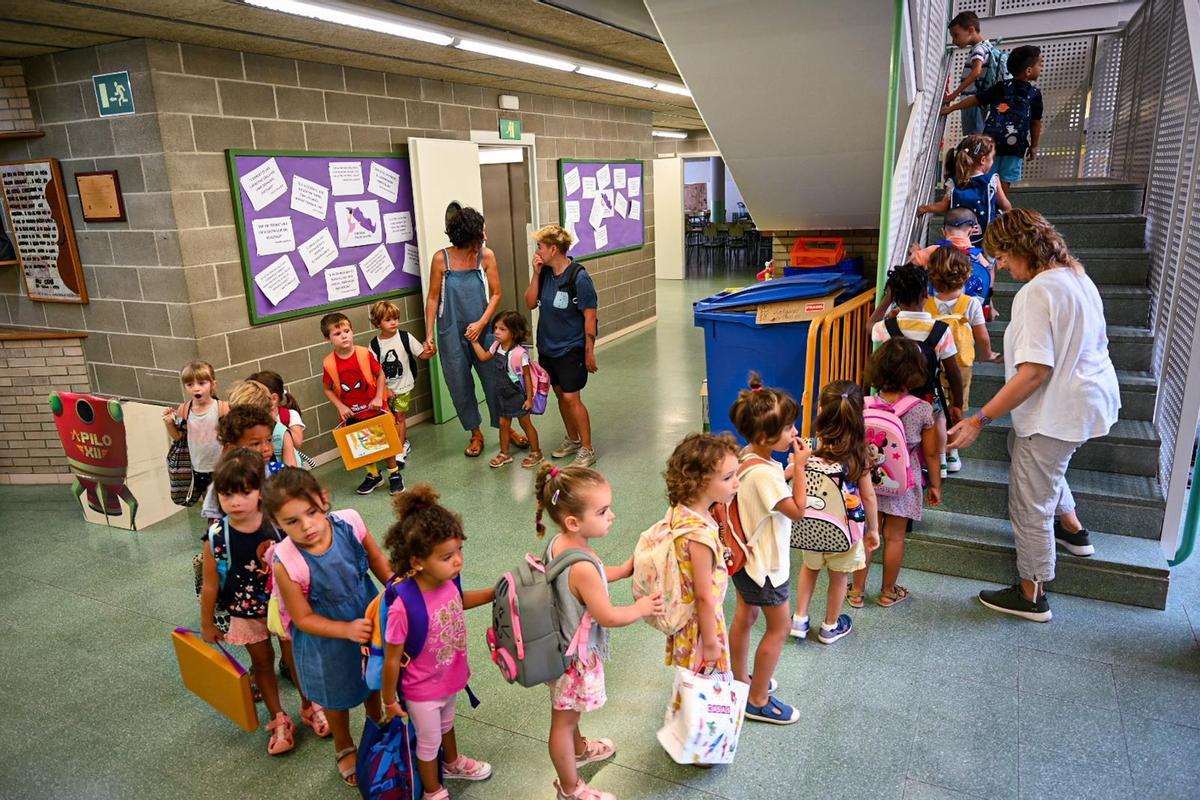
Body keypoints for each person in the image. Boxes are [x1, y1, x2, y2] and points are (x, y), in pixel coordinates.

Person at [948, 209, 1120, 623]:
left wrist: (978, 420)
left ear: (1020, 248)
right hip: (1089, 399)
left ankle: (1032, 592)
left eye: (1003, 257)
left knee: (1029, 501)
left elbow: (1036, 372)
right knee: (1025, 455)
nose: (1001, 266)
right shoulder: (1077, 276)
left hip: (1056, 412)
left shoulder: (1036, 292)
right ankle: (1073, 529)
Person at [534, 464, 663, 800]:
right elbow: (607, 616)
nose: (612, 516)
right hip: (573, 657)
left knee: (569, 710)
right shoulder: (583, 565)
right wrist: (641, 607)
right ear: (573, 521)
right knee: (562, 720)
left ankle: (578, 749)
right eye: (603, 511)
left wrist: (626, 568)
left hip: (557, 643)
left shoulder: (562, 543)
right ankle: (570, 788)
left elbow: (596, 576)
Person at [265, 468, 394, 785]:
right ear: (276, 523)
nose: (306, 526)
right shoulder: (286, 561)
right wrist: (345, 630)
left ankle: (375, 719)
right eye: (291, 522)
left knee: (372, 675)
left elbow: (376, 558)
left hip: (366, 613)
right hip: (326, 639)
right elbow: (303, 618)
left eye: (310, 513)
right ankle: (343, 744)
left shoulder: (350, 521)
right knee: (336, 694)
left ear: (323, 499)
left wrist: (397, 588)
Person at [198, 449, 328, 755]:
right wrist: (206, 622)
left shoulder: (279, 525)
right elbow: (210, 584)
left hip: (285, 605)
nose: (235, 501)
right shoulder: (216, 535)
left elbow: (305, 558)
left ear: (261, 492)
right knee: (261, 664)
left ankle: (310, 706)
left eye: (246, 492)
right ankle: (278, 717)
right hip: (245, 611)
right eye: (227, 494)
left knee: (295, 657)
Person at [380, 484, 496, 799]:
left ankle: (453, 762)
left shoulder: (446, 580)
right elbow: (392, 658)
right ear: (417, 561)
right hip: (421, 690)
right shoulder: (404, 604)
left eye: (459, 550)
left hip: (448, 677)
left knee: (447, 724)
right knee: (429, 742)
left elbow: (459, 601)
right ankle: (433, 790)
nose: (457, 561)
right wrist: (389, 701)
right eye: (447, 556)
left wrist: (494, 592)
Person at [726, 375, 809, 725]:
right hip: (766, 566)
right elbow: (797, 509)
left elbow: (771, 483)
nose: (794, 433)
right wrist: (801, 468)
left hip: (745, 560)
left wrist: (788, 469)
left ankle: (740, 679)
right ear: (764, 437)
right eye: (788, 428)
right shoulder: (766, 475)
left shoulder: (748, 458)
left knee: (746, 617)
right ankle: (758, 699)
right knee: (778, 627)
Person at [424, 207, 522, 458]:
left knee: (495, 381)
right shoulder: (441, 259)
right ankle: (475, 432)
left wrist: (482, 323)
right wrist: (429, 334)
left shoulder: (486, 256)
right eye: (480, 235)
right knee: (459, 384)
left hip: (484, 330)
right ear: (466, 237)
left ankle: (505, 427)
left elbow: (497, 293)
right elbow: (433, 298)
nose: (484, 238)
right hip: (451, 332)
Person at [851, 340, 942, 609]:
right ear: (915, 373)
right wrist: (935, 485)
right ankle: (888, 592)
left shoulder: (863, 404)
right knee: (894, 538)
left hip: (867, 480)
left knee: (868, 532)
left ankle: (856, 591)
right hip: (903, 480)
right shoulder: (922, 409)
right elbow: (932, 454)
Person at [791, 382, 879, 643]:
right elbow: (869, 496)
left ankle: (799, 618)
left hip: (811, 525)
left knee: (809, 569)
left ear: (820, 410)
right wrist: (873, 529)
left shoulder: (809, 447)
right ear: (858, 416)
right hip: (845, 530)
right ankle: (830, 626)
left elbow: (791, 476)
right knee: (839, 577)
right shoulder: (858, 454)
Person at [871, 264, 965, 479]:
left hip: (894, 398)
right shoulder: (940, 330)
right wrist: (957, 404)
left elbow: (870, 325)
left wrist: (887, 299)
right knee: (938, 417)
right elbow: (953, 372)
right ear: (925, 293)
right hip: (927, 397)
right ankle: (941, 461)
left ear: (895, 296)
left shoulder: (887, 327)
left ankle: (894, 459)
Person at [660, 432, 741, 676]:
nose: (737, 483)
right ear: (698, 483)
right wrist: (709, 642)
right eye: (728, 477)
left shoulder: (680, 511)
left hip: (689, 619)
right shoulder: (699, 539)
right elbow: (704, 596)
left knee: (691, 680)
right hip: (700, 626)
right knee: (702, 685)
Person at [525, 225, 599, 468]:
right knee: (559, 394)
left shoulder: (579, 277)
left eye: (540, 246)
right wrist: (535, 274)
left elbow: (590, 318)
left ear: (553, 249)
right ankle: (573, 439)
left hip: (571, 347)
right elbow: (530, 303)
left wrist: (589, 352)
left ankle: (587, 449)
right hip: (547, 346)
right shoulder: (544, 273)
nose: (537, 251)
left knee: (571, 397)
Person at [924, 246, 1003, 473]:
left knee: (934, 410)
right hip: (960, 365)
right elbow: (982, 335)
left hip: (932, 366)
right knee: (957, 408)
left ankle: (937, 456)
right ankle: (953, 452)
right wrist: (987, 354)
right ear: (967, 275)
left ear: (932, 276)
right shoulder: (971, 304)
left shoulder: (927, 304)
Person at [319, 312, 403, 495]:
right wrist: (340, 406)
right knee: (364, 445)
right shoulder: (329, 363)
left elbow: (380, 374)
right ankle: (374, 475)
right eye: (337, 333)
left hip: (375, 408)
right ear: (328, 339)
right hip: (353, 413)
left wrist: (378, 396)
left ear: (352, 331)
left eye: (347, 331)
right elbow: (327, 388)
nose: (344, 336)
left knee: (386, 441)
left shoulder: (364, 354)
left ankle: (394, 474)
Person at [944, 45, 1044, 192]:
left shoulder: (1002, 87)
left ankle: (986, 205)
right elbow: (1035, 123)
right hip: (1015, 146)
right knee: (1005, 179)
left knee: (986, 175)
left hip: (991, 144)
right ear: (1028, 70)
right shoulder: (1034, 94)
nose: (1041, 68)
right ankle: (1000, 210)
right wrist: (1034, 146)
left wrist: (952, 108)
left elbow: (976, 99)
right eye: (1039, 64)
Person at [467, 310, 543, 469]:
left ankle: (536, 452)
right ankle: (505, 453)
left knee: (525, 424)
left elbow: (527, 378)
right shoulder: (496, 346)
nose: (496, 332)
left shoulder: (520, 354)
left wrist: (529, 399)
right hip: (502, 394)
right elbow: (483, 357)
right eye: (495, 328)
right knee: (503, 423)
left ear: (514, 333)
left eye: (502, 329)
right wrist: (474, 343)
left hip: (517, 395)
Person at [368, 300, 433, 465]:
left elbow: (422, 354)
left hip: (403, 387)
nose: (394, 322)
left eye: (396, 318)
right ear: (377, 322)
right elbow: (373, 371)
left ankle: (399, 449)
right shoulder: (375, 345)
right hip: (384, 390)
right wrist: (385, 390)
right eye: (388, 319)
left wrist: (431, 350)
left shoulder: (405, 337)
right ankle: (392, 445)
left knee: (400, 417)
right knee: (388, 420)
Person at [917, 135, 1011, 247]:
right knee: (986, 261)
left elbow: (944, 206)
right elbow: (1006, 206)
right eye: (992, 158)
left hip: (959, 240)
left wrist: (925, 208)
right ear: (983, 160)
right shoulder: (992, 180)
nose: (992, 162)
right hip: (987, 240)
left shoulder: (953, 182)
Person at [199, 404, 287, 523]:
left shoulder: (280, 474)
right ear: (231, 448)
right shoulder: (223, 481)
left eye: (269, 440)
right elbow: (213, 523)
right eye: (256, 444)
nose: (266, 448)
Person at [909, 207, 997, 319]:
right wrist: (989, 307)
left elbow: (911, 264)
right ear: (971, 231)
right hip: (966, 320)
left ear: (944, 231)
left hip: (935, 317)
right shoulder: (979, 258)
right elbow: (987, 283)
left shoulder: (934, 251)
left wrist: (916, 251)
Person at [163, 360, 229, 506]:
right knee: (209, 505)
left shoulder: (222, 408)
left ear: (213, 384)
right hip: (199, 468)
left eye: (202, 383)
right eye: (190, 384)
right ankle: (213, 527)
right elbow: (179, 437)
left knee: (225, 502)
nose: (196, 389)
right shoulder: (184, 409)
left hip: (222, 466)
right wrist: (169, 424)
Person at [945, 11, 1004, 134]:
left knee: (975, 136)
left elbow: (976, 71)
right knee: (977, 134)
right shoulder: (987, 46)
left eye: (956, 35)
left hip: (972, 100)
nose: (954, 41)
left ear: (971, 30)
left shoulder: (978, 49)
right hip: (978, 100)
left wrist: (954, 94)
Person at [227, 379, 297, 468]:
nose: (266, 448)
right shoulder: (233, 435)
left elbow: (292, 474)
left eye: (269, 440)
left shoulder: (281, 433)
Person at [248, 370, 305, 449]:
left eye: (255, 397)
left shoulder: (290, 415)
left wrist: (276, 423)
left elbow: (297, 443)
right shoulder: (253, 419)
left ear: (273, 398)